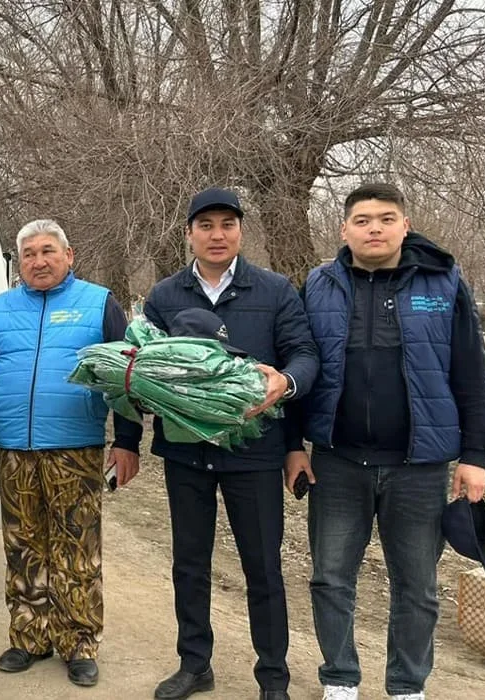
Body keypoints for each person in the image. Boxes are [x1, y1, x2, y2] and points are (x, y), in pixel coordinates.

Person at [289, 183, 485, 700]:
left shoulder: (443, 281)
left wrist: (475, 456)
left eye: (385, 218)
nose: (374, 228)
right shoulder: (318, 284)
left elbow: (470, 372)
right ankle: (340, 678)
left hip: (419, 466)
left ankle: (406, 685)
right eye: (362, 220)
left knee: (418, 586)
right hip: (337, 462)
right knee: (330, 579)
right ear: (344, 229)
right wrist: (294, 447)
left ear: (405, 225)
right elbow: (299, 369)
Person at [142, 187, 318, 700]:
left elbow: (305, 354)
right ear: (189, 234)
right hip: (186, 452)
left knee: (262, 566)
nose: (217, 235)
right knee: (189, 564)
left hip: (255, 452)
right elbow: (143, 360)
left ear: (241, 231)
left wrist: (284, 384)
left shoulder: (275, 290)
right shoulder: (165, 296)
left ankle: (273, 677)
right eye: (206, 225)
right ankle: (195, 664)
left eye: (227, 224)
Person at [0, 219, 142, 688]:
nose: (39, 261)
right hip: (14, 450)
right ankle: (29, 638)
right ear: (19, 263)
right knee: (23, 545)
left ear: (69, 256)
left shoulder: (98, 303)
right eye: (29, 254)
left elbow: (127, 377)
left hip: (75, 449)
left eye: (48, 251)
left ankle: (79, 641)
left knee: (77, 549)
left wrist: (127, 441)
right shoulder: (1, 309)